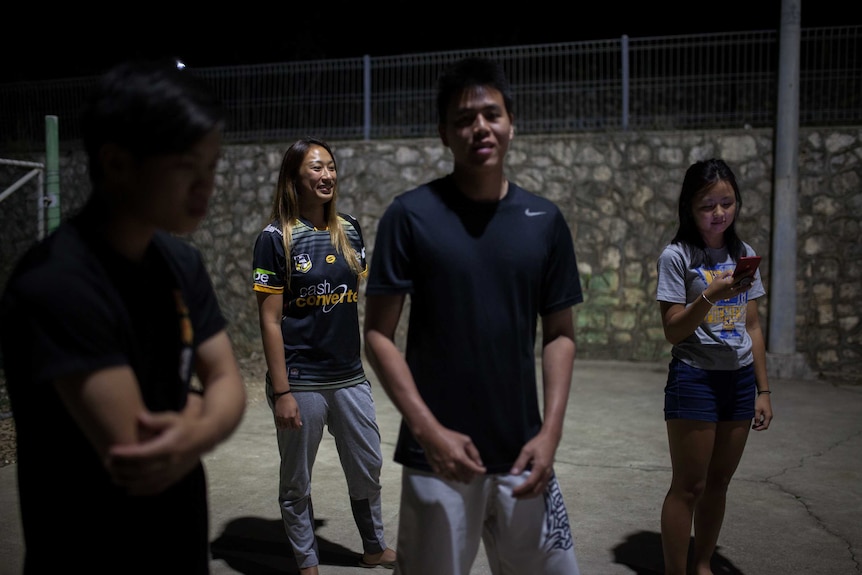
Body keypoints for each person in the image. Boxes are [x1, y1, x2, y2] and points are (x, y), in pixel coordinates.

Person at [0, 59, 247, 574]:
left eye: (212, 166)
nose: (206, 186)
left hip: (177, 544)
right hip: (90, 550)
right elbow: (137, 451)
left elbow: (229, 380)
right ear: (116, 162)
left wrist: (194, 427)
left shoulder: (181, 264)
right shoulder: (58, 282)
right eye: (186, 166)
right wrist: (205, 414)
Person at [363, 56, 583, 575]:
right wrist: (427, 431)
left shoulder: (544, 221)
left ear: (511, 122)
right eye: (464, 118)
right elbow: (377, 334)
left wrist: (550, 434)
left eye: (491, 114)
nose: (480, 127)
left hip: (524, 453)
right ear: (444, 132)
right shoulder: (410, 215)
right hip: (437, 459)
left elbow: (559, 335)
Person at [252, 137, 396, 574]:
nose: (326, 175)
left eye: (330, 167)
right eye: (316, 168)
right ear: (294, 178)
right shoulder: (275, 239)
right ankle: (307, 562)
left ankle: (373, 548)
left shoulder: (350, 229)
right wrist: (282, 392)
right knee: (297, 480)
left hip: (349, 375)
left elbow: (359, 300)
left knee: (368, 465)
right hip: (300, 379)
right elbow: (270, 320)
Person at [655, 158, 773, 575]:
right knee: (690, 486)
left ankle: (702, 565)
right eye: (708, 205)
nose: (719, 213)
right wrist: (710, 294)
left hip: (740, 381)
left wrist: (763, 390)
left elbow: (753, 325)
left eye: (727, 202)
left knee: (718, 485)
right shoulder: (677, 257)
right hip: (695, 379)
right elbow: (672, 330)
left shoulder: (744, 255)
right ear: (690, 207)